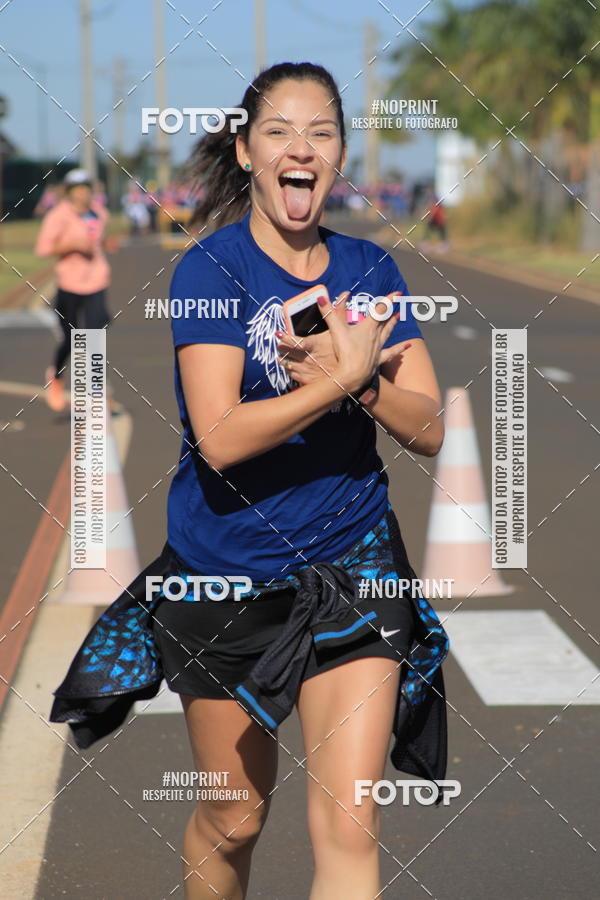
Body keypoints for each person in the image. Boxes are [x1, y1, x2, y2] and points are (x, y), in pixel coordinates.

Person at [146, 62, 449, 899]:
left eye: (320, 132)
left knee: (352, 824)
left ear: (340, 154)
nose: (300, 149)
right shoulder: (210, 273)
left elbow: (429, 427)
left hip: (356, 564)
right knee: (233, 819)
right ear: (246, 152)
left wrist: (371, 384)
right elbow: (219, 439)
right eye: (278, 131)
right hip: (225, 576)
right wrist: (336, 380)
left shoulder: (369, 272)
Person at [35, 168, 112, 411]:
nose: (82, 193)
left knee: (94, 337)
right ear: (68, 192)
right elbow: (43, 248)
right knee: (70, 339)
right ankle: (55, 376)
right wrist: (72, 245)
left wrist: (104, 245)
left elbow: (98, 240)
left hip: (96, 281)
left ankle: (96, 393)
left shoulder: (99, 213)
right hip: (69, 283)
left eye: (86, 188)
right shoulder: (58, 215)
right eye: (77, 189)